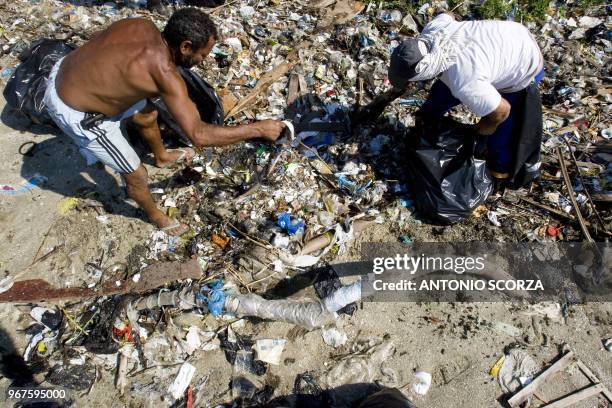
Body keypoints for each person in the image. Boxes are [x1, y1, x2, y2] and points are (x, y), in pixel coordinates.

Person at [43, 8, 285, 235]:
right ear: (186, 46)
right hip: (79, 113)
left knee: (147, 113)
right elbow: (198, 135)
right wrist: (258, 129)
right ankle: (156, 216)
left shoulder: (141, 25)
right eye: (203, 54)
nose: (205, 59)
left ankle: (162, 156)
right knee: (136, 173)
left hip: (66, 69)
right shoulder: (165, 74)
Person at [388, 13, 544, 184]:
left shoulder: (464, 80)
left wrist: (482, 131)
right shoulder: (434, 30)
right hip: (509, 34)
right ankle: (427, 120)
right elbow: (448, 15)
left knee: (501, 132)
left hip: (525, 63)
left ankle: (498, 173)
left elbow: (502, 111)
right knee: (440, 94)